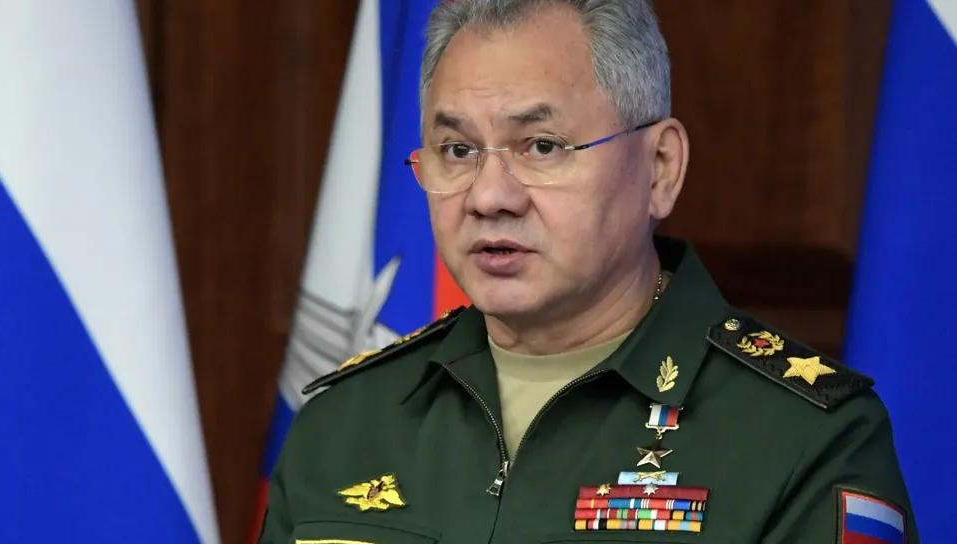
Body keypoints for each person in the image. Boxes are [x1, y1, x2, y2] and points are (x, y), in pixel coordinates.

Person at [258, 0, 919, 542]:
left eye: (542, 146)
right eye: (457, 150)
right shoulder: (346, 423)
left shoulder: (804, 439)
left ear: (659, 168)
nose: (489, 196)